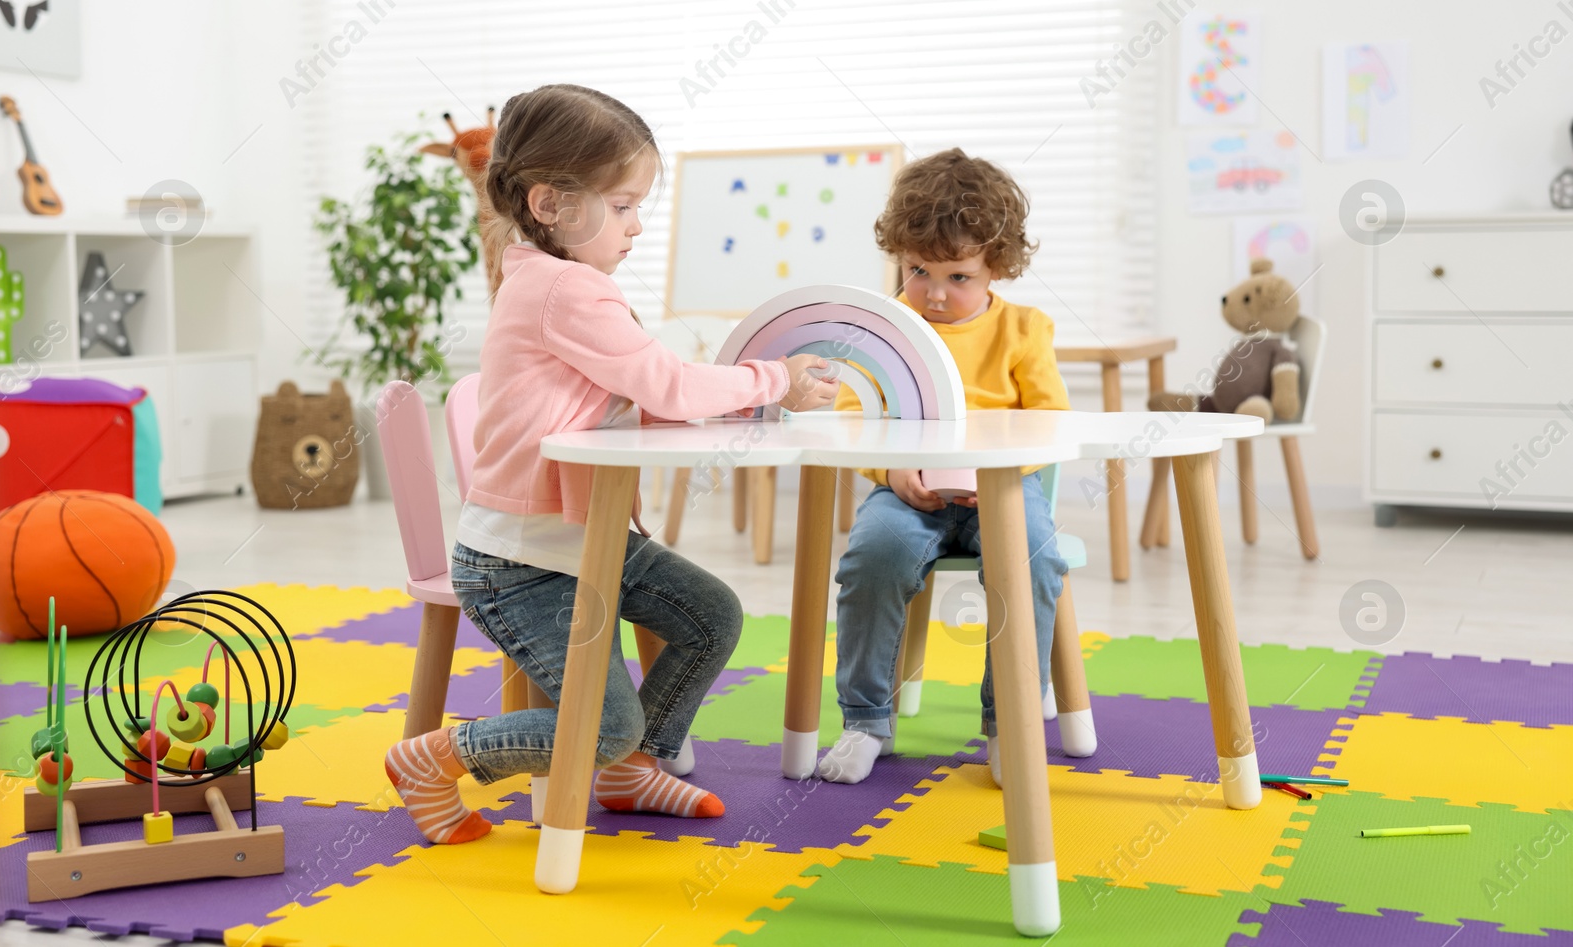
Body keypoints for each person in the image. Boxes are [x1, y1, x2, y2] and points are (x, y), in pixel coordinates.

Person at [384, 84, 838, 843]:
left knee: (711, 616)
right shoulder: (564, 289)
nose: (636, 226)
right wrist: (775, 378)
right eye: (623, 205)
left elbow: (642, 390)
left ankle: (634, 769)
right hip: (520, 563)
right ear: (551, 204)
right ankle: (435, 756)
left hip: (586, 540)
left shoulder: (563, 282)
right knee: (602, 725)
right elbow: (665, 380)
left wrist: (732, 401)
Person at [818, 148, 1069, 787]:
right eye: (918, 270)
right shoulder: (888, 326)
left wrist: (999, 472)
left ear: (996, 269)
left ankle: (1010, 723)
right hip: (907, 492)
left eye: (958, 277)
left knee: (1034, 558)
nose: (934, 292)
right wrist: (892, 471)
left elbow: (1052, 421)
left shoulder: (1023, 329)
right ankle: (864, 720)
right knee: (873, 557)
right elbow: (853, 414)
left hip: (1003, 491)